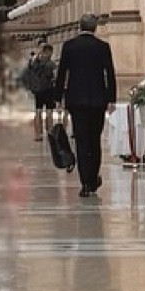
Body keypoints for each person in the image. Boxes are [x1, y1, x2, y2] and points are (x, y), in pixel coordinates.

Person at [55, 14, 117, 196]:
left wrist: (58, 98)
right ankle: (93, 176)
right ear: (95, 27)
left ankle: (85, 184)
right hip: (98, 101)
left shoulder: (69, 46)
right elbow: (110, 74)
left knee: (81, 140)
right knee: (94, 140)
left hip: (76, 101)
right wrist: (111, 99)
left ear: (79, 26)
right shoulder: (103, 47)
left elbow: (61, 73)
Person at [20, 39, 58, 136]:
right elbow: (54, 77)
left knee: (38, 111)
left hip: (38, 90)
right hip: (49, 89)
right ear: (49, 52)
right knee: (49, 112)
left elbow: (28, 72)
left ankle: (38, 134)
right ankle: (50, 132)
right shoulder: (51, 64)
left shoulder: (34, 62)